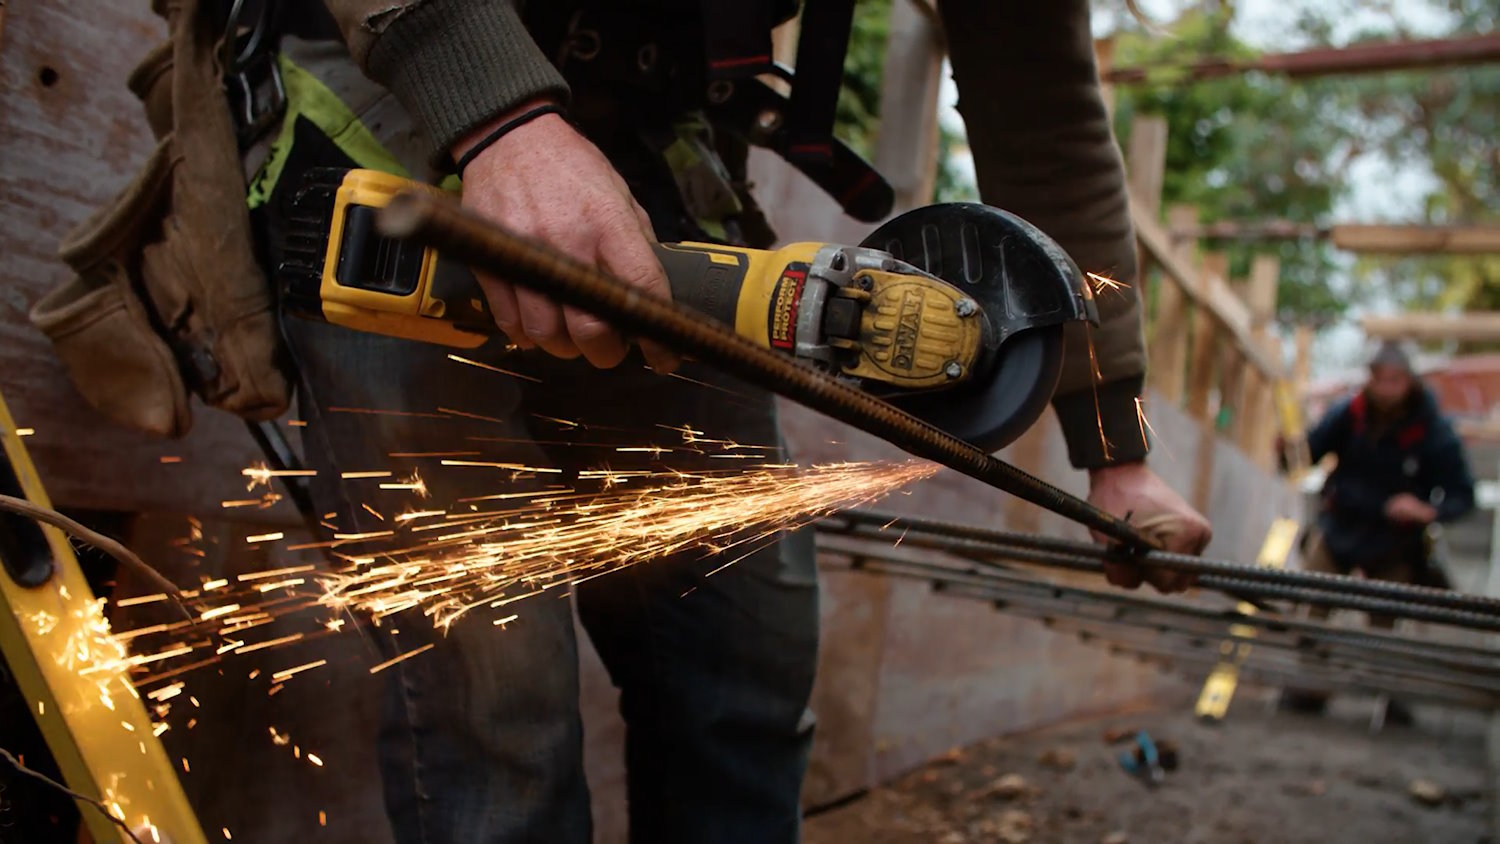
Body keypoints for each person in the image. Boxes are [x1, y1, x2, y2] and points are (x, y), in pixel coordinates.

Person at [245, 1, 1211, 841]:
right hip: (396, 112)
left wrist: (1114, 447)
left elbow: (1040, 102)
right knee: (499, 701)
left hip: (664, 155)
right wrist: (498, 120)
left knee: (743, 667)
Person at [1285, 341, 1476, 719]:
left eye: (1395, 379)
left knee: (1387, 625)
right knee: (1314, 606)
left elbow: (1462, 496)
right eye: (1379, 378)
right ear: (1369, 379)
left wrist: (1427, 510)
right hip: (1342, 526)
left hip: (1395, 542)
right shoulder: (1349, 413)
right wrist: (1290, 449)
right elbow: (1308, 453)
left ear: (1408, 381)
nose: (1386, 388)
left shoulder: (1433, 430)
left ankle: (1391, 697)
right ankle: (1308, 687)